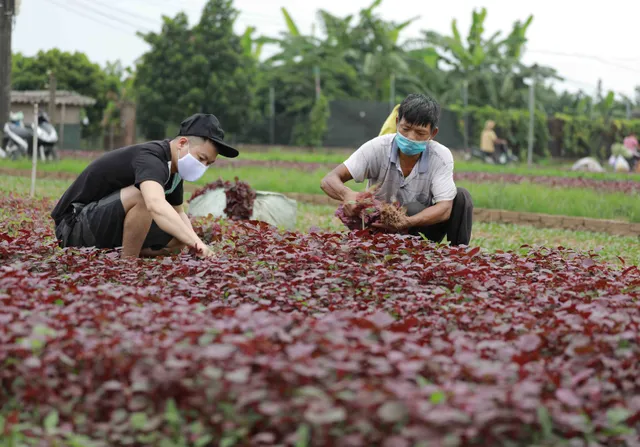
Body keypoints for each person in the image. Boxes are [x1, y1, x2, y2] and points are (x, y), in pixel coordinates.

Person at [51, 113, 239, 258]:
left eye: (208, 164)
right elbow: (155, 204)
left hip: (102, 225)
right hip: (73, 227)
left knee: (179, 238)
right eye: (201, 158)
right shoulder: (152, 158)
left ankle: (117, 255)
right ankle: (128, 265)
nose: (202, 166)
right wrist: (199, 246)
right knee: (143, 196)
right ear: (183, 143)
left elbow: (179, 213)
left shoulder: (175, 171)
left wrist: (193, 242)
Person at [321, 93, 473, 246]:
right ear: (397, 122)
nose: (411, 137)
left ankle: (458, 254)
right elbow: (329, 180)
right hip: (378, 226)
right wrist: (347, 194)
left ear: (433, 133)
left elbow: (445, 208)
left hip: (419, 229)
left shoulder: (440, 156)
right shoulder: (377, 148)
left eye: (420, 133)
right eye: (405, 129)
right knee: (410, 209)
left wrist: (407, 222)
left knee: (460, 197)